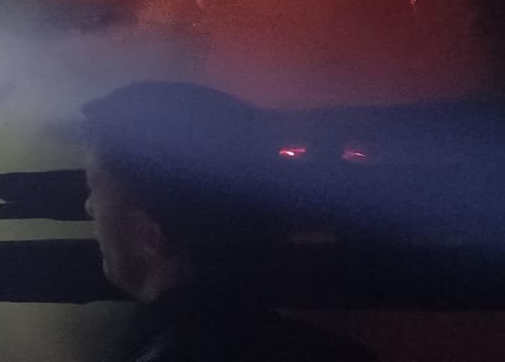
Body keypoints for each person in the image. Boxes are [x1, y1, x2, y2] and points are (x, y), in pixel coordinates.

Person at [80, 81, 376, 362]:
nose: (90, 207)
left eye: (96, 187)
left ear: (149, 233)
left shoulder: (166, 350)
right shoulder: (335, 353)